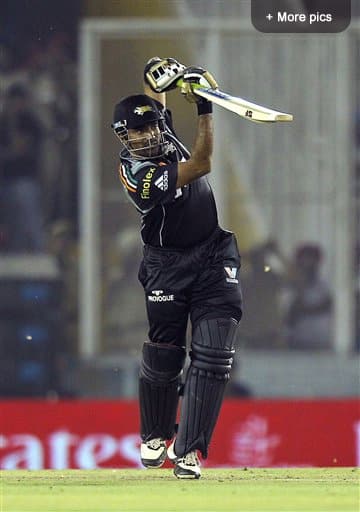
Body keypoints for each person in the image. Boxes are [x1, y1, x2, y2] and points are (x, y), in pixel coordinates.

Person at [111, 57, 243, 479]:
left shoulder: (160, 132)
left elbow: (155, 96)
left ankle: (190, 452)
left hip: (212, 254)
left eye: (152, 126)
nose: (150, 135)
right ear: (123, 137)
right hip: (166, 265)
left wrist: (158, 72)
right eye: (139, 131)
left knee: (215, 350)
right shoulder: (140, 175)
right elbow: (202, 164)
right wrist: (204, 104)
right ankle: (155, 435)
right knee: (166, 352)